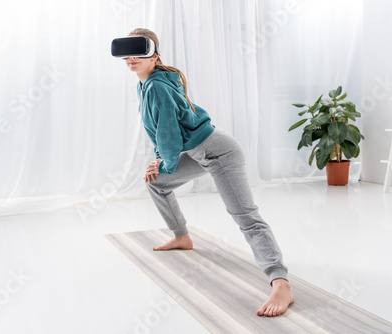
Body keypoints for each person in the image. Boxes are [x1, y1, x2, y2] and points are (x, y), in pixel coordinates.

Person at [124, 28, 294, 317]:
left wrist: (164, 161)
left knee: (246, 217)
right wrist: (159, 161)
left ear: (155, 54)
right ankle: (182, 236)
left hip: (220, 152)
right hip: (198, 153)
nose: (131, 57)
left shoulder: (157, 86)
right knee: (157, 183)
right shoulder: (146, 83)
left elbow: (168, 135)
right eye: (126, 51)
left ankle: (280, 282)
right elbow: (161, 131)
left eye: (139, 50)